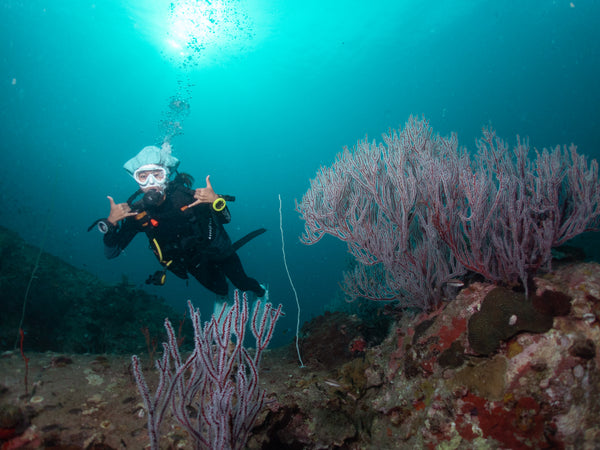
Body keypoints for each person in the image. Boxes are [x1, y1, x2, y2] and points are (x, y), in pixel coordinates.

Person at [98, 143, 266, 300]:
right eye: (143, 177)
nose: (151, 183)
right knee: (221, 290)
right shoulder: (139, 213)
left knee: (243, 283)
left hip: (220, 251)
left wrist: (215, 201)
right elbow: (110, 253)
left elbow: (226, 220)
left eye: (157, 175)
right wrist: (111, 226)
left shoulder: (187, 197)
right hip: (193, 263)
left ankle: (261, 291)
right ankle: (225, 295)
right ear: (137, 181)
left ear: (167, 175)